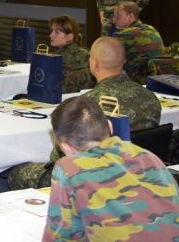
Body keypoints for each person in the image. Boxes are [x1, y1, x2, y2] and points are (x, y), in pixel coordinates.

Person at [8, 36, 160, 190]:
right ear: (124, 61)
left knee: (16, 173)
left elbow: (59, 155)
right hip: (139, 173)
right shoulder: (150, 97)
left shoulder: (86, 106)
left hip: (88, 178)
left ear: (94, 64)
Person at [42, 95, 179, 241]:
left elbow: (60, 237)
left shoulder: (69, 168)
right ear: (110, 126)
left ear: (65, 147)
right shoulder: (149, 157)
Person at [112, 0, 164, 84]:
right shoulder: (152, 30)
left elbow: (106, 59)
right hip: (159, 82)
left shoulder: (125, 35)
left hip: (137, 84)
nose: (113, 20)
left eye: (118, 15)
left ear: (130, 16)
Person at [47, 15, 94, 93]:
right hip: (84, 98)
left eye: (56, 32)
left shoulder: (55, 58)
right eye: (52, 31)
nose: (51, 35)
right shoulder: (87, 54)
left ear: (69, 37)